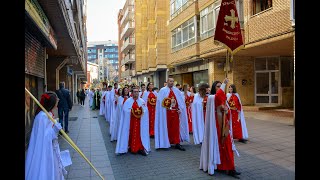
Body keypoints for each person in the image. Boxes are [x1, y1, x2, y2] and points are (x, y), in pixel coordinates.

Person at [200, 78, 240, 178]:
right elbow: (218, 97)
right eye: (217, 86)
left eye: (220, 86)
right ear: (214, 88)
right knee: (220, 148)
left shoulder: (223, 98)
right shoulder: (211, 98)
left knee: (228, 147)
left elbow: (227, 110)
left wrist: (227, 112)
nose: (220, 88)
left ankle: (230, 168)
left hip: (224, 126)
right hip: (216, 128)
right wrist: (224, 84)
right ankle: (221, 166)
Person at [25, 91, 66, 180]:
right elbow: (43, 138)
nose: (58, 100)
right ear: (52, 103)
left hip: (50, 148)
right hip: (44, 149)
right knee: (46, 167)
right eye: (56, 99)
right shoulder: (42, 117)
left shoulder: (48, 114)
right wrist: (54, 130)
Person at [154, 78, 189, 151]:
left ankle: (177, 142)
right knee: (167, 127)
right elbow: (160, 103)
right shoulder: (163, 90)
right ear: (167, 82)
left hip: (175, 112)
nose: (172, 83)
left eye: (173, 81)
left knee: (176, 128)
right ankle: (166, 142)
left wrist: (180, 109)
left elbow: (180, 101)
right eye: (170, 81)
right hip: (166, 113)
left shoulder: (176, 90)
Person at [115, 87, 150, 156]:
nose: (136, 93)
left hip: (140, 122)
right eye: (134, 92)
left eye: (137, 92)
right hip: (131, 122)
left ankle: (140, 148)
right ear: (132, 93)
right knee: (130, 134)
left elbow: (145, 111)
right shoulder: (128, 101)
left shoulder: (142, 101)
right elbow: (125, 111)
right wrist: (132, 111)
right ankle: (131, 147)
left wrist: (140, 111)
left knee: (140, 135)